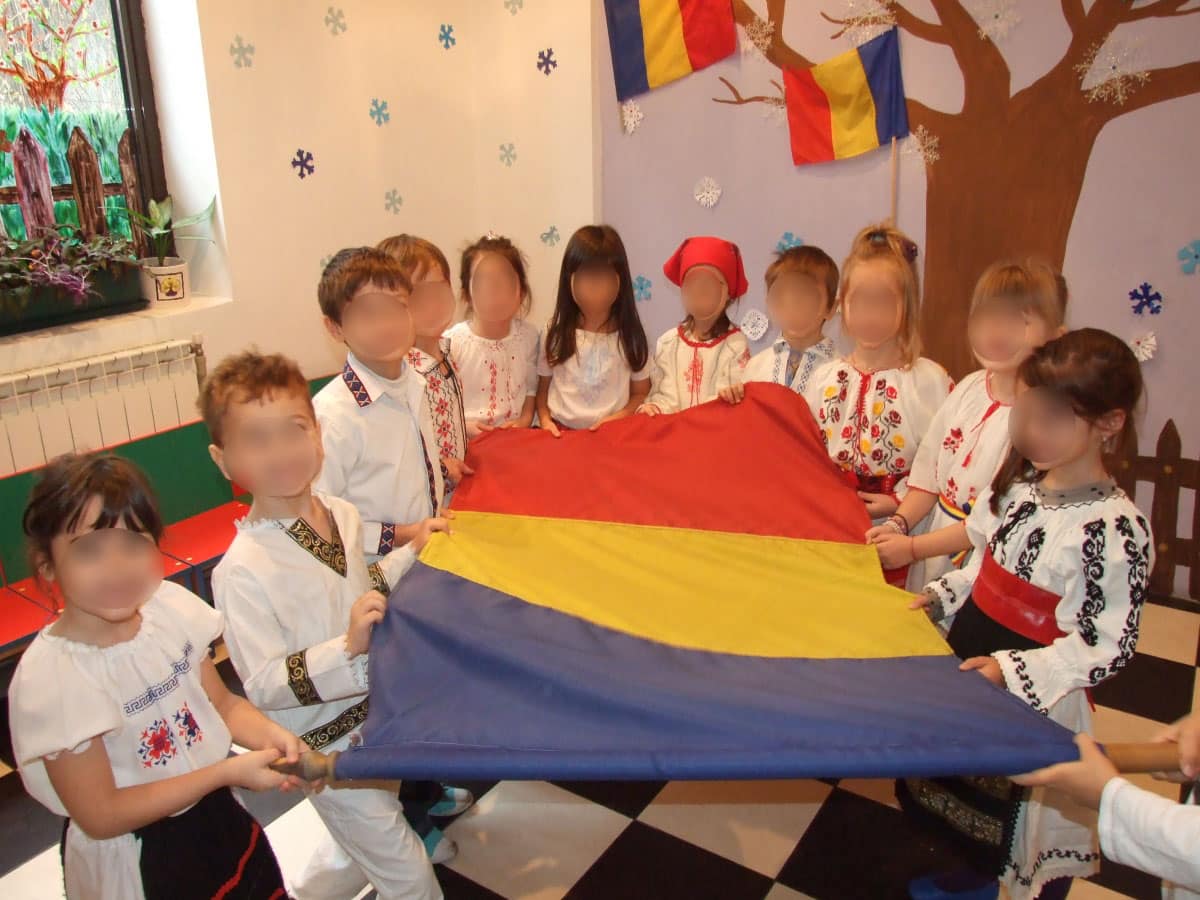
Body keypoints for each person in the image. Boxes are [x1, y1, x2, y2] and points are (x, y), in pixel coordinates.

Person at [904, 328, 1153, 900]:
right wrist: (942, 596)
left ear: (1109, 423)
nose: (1032, 431)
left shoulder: (1113, 530)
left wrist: (1012, 670)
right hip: (972, 663)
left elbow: (1105, 643)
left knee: (1021, 813)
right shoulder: (1020, 489)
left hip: (1036, 692)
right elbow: (985, 566)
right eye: (1028, 413)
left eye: (1053, 418)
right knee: (957, 786)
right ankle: (963, 875)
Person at [203, 350, 451, 900]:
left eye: (293, 430)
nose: (281, 452)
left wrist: (414, 550)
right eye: (256, 439)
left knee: (363, 839)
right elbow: (263, 683)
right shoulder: (240, 571)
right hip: (324, 743)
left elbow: (361, 590)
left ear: (316, 433)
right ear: (223, 460)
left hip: (379, 714)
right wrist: (347, 646)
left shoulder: (341, 513)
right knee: (407, 872)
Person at [8, 453, 300, 899]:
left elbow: (222, 705)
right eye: (88, 550)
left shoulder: (167, 610)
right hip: (140, 859)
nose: (117, 567)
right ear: (47, 565)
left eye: (133, 543)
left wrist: (272, 737)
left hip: (214, 818)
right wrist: (225, 771)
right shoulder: (56, 678)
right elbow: (102, 814)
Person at [536, 224, 650, 434]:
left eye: (604, 276)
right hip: (560, 435)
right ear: (569, 280)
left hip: (613, 434)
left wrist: (616, 419)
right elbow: (542, 390)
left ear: (620, 281)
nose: (595, 285)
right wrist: (545, 421)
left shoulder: (630, 335)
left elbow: (640, 393)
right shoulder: (554, 332)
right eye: (586, 276)